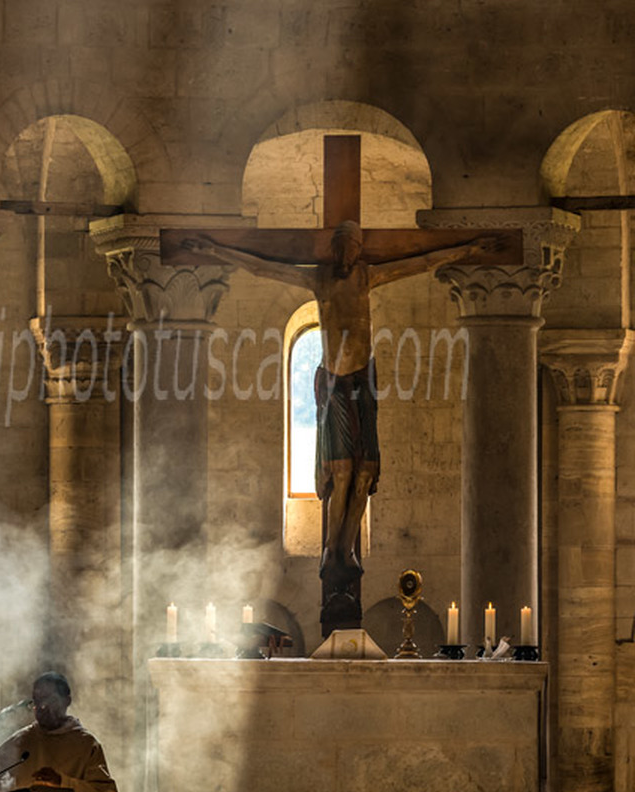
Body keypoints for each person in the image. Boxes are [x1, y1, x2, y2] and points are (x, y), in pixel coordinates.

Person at [186, 224, 499, 590]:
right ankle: (330, 549)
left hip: (363, 381)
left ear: (358, 249)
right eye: (341, 246)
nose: (347, 254)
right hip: (334, 382)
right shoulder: (320, 280)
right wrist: (215, 250)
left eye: (352, 247)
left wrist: (469, 249)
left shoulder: (368, 276)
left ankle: (347, 548)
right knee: (342, 473)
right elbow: (264, 268)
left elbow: (424, 261)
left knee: (365, 473)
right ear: (334, 249)